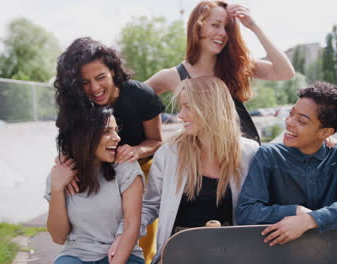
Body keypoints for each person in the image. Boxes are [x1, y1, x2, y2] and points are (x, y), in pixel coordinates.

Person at [115, 76, 259, 264]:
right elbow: (149, 206)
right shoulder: (169, 153)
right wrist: (122, 236)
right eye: (181, 107)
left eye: (188, 107)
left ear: (211, 107)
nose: (180, 115)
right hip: (177, 253)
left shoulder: (250, 153)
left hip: (229, 254)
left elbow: (259, 210)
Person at [54, 37, 164, 262]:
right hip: (95, 169)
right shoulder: (75, 102)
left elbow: (156, 140)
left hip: (138, 165)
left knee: (140, 235)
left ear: (113, 71)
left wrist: (135, 151)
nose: (94, 88)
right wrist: (64, 164)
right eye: (85, 82)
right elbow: (68, 140)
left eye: (100, 77)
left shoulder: (140, 95)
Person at [236, 81, 337, 246]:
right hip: (279, 254)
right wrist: (295, 211)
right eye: (291, 113)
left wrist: (309, 220)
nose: (289, 122)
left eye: (301, 121)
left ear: (325, 132)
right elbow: (246, 212)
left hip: (334, 252)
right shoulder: (268, 155)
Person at [145, 1, 295, 144]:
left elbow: (286, 73)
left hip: (244, 158)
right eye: (215, 25)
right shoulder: (172, 76)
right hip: (201, 163)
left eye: (227, 28)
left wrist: (254, 27)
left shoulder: (238, 65)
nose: (223, 33)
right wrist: (149, 142)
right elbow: (133, 97)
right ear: (197, 27)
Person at [44, 106, 144, 264]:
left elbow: (132, 225)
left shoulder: (126, 167)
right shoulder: (60, 175)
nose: (117, 138)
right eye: (107, 131)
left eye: (116, 130)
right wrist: (57, 188)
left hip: (121, 254)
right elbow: (58, 237)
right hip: (76, 254)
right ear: (84, 136)